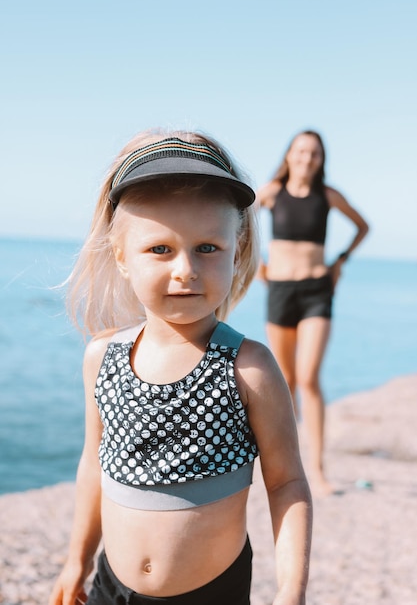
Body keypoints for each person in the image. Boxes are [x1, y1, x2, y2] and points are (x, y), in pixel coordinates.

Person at [49, 130, 312, 605]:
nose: (185, 269)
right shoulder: (102, 358)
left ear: (238, 248)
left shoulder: (246, 367)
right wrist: (77, 560)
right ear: (122, 257)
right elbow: (94, 466)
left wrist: (291, 591)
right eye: (160, 249)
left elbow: (287, 482)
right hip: (112, 586)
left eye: (207, 247)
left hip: (213, 592)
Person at [257, 130, 369, 497]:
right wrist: (254, 263)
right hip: (280, 291)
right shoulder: (272, 192)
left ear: (321, 160)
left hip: (317, 291)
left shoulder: (328, 195)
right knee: (285, 381)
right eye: (301, 151)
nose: (307, 158)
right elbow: (239, 222)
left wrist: (340, 262)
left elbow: (362, 226)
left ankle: (318, 471)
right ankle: (286, 466)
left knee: (308, 378)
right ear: (289, 154)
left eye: (314, 153)